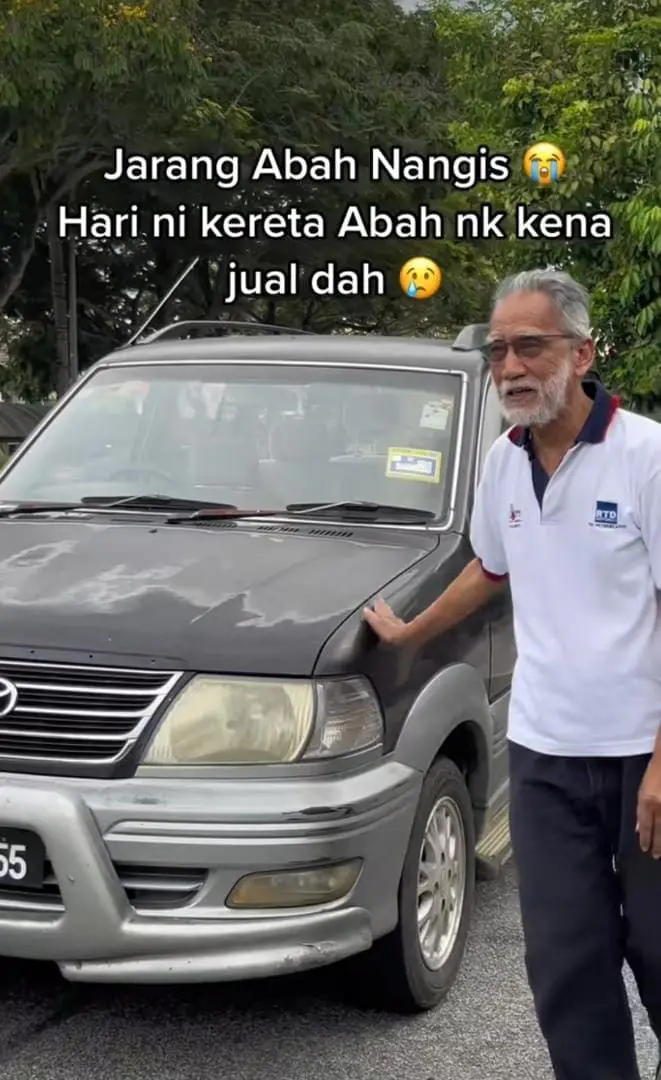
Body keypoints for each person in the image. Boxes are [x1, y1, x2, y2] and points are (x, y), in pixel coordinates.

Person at [363, 268, 661, 1080]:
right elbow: (491, 567)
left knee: (657, 949)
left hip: (643, 756)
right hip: (543, 754)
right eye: (499, 351)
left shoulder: (646, 457)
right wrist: (410, 632)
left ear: (582, 351)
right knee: (566, 965)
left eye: (530, 346)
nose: (510, 367)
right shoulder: (501, 461)